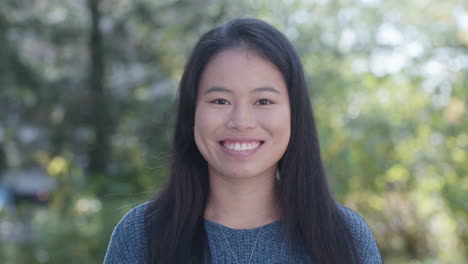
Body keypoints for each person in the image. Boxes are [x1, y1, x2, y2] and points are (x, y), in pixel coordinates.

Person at [103, 18, 382, 264]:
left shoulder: (345, 237)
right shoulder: (142, 235)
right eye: (220, 100)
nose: (241, 121)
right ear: (192, 113)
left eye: (263, 100)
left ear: (295, 114)